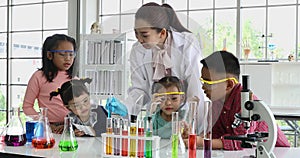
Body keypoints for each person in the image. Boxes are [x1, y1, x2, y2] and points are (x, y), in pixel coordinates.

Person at [185, 51, 290, 150]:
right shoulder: (217, 101)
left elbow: (243, 142)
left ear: (229, 84)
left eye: (209, 83)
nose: (203, 87)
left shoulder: (245, 102)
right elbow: (215, 134)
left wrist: (199, 142)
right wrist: (193, 136)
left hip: (277, 152)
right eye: (203, 82)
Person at [126, 2, 205, 121]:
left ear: (162, 33)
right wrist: (126, 109)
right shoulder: (137, 50)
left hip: (185, 114)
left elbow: (195, 88)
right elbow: (139, 89)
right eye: (136, 33)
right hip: (157, 117)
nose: (139, 40)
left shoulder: (188, 43)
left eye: (144, 35)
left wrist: (189, 122)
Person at [22, 34, 78, 134]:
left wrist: (76, 126)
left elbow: (83, 109)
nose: (68, 58)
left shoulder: (75, 79)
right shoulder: (39, 76)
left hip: (72, 128)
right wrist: (44, 124)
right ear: (49, 55)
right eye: (62, 54)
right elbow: (27, 106)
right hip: (47, 130)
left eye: (71, 54)